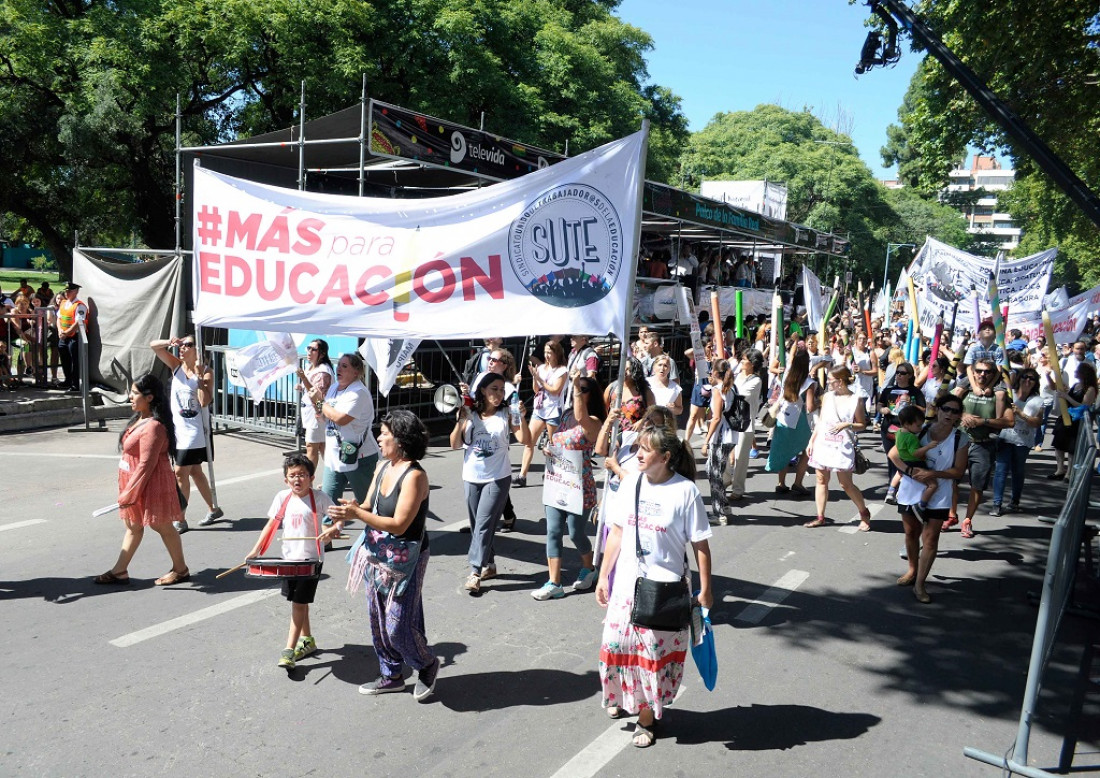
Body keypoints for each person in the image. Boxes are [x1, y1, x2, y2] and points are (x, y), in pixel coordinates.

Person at [596, 425, 713, 747]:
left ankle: (645, 719)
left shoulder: (685, 491)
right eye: (638, 448)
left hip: (663, 591)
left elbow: (700, 545)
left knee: (650, 659)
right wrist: (604, 574)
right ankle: (624, 697)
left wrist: (706, 590)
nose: (638, 454)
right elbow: (617, 532)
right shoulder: (631, 482)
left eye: (645, 449)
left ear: (665, 457)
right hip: (626, 587)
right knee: (617, 648)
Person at [325, 410, 439, 701]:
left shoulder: (414, 476)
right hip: (375, 554)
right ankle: (391, 675)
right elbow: (368, 506)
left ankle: (426, 664)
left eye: (385, 433)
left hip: (405, 559)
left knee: (398, 625)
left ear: (400, 440)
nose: (379, 437)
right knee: (378, 619)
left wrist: (357, 512)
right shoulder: (382, 467)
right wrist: (341, 520)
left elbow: (399, 524)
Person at [94, 374, 190, 586]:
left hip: (150, 483)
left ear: (149, 397)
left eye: (135, 393)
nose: (130, 396)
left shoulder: (153, 426)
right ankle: (119, 571)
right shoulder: (140, 418)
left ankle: (181, 569)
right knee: (134, 525)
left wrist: (131, 491)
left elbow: (147, 464)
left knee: (162, 525)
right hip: (134, 480)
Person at [246, 453, 334, 670]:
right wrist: (256, 550)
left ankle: (288, 650)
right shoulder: (282, 497)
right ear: (286, 479)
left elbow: (338, 518)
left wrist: (332, 530)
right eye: (292, 475)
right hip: (289, 561)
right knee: (298, 601)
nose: (297, 479)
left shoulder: (319, 497)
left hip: (310, 562)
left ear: (312, 478)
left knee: (298, 604)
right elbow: (270, 526)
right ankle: (308, 641)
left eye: (302, 475)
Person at [452, 371, 530, 595]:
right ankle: (491, 565)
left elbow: (524, 439)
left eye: (502, 390)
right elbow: (455, 443)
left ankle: (475, 571)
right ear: (483, 391)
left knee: (484, 524)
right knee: (479, 526)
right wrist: (461, 419)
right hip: (471, 476)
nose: (498, 393)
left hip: (497, 477)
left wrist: (521, 416)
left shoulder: (507, 413)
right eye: (494, 389)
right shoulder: (471, 412)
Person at [890, 395, 970, 604]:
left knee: (930, 538)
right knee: (910, 533)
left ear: (958, 416)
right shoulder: (920, 429)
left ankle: (920, 584)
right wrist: (911, 471)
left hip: (939, 493)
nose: (949, 414)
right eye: (946, 409)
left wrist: (933, 475)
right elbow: (893, 454)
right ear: (938, 410)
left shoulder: (960, 438)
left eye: (954, 411)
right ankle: (912, 570)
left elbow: (958, 471)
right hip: (912, 488)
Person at [532, 374, 605, 600]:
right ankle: (554, 583)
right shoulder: (565, 416)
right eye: (577, 388)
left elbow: (581, 417)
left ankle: (590, 568)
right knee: (553, 531)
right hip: (557, 483)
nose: (578, 392)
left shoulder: (593, 421)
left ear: (591, 395)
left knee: (575, 533)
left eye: (583, 389)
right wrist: (548, 448)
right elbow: (555, 441)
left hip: (580, 487)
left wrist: (574, 386)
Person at [151, 335, 224, 532]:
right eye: (181, 345)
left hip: (195, 431)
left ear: (197, 350)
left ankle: (180, 518)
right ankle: (214, 508)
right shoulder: (176, 366)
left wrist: (199, 378)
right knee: (195, 471)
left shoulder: (206, 372)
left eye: (188, 345)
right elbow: (154, 347)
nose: (182, 348)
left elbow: (204, 401)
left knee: (180, 472)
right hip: (177, 429)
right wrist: (169, 342)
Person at [304, 351, 380, 510]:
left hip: (358, 456)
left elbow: (340, 418)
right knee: (328, 506)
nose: (339, 368)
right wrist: (315, 403)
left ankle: (379, 533)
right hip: (334, 456)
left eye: (344, 366)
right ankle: (327, 532)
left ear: (356, 372)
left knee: (367, 506)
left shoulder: (358, 393)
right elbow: (325, 415)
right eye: (339, 365)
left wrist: (320, 402)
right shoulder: (333, 388)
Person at [805, 365, 873, 530]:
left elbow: (862, 425)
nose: (828, 383)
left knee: (845, 484)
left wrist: (847, 424)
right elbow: (821, 421)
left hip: (842, 445)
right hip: (823, 442)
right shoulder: (827, 397)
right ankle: (820, 516)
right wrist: (811, 440)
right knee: (821, 479)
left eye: (830, 380)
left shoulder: (855, 399)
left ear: (840, 381)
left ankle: (864, 512)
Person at [953, 357, 1014, 538]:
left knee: (977, 485)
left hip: (984, 445)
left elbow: (1009, 421)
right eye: (979, 371)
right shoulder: (965, 387)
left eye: (987, 372)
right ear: (974, 372)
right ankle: (951, 514)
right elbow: (946, 406)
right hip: (960, 442)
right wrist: (963, 415)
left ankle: (967, 520)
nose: (982, 374)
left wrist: (983, 422)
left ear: (993, 374)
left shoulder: (999, 392)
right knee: (951, 480)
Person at [990, 368, 1044, 516]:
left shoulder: (1038, 401)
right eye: (1025, 377)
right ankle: (997, 504)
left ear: (1035, 383)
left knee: (1018, 471)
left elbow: (1037, 422)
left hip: (1023, 440)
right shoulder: (1009, 394)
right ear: (1019, 378)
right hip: (1005, 437)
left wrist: (1020, 414)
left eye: (1031, 379)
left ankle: (1014, 501)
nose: (1027, 380)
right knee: (1001, 470)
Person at [515, 340, 568, 488]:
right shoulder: (542, 368)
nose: (547, 355)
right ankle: (522, 475)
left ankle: (553, 474)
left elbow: (555, 390)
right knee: (529, 442)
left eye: (550, 352)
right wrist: (534, 377)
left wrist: (539, 379)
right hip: (540, 409)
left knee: (553, 445)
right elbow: (536, 390)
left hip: (553, 410)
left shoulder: (562, 371)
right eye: (545, 352)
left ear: (557, 354)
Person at [766, 349, 815, 495]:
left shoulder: (786, 375)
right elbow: (811, 406)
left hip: (782, 417)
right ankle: (798, 482)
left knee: (784, 451)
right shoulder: (809, 383)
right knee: (807, 451)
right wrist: (821, 401)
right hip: (798, 420)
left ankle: (781, 483)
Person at [879, 361, 926, 497]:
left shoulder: (915, 392)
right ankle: (892, 485)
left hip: (906, 430)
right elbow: (880, 404)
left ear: (910, 375)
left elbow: (923, 409)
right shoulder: (888, 390)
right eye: (897, 373)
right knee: (891, 457)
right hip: (889, 427)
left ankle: (900, 487)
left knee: (905, 457)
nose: (899, 375)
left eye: (903, 373)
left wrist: (911, 405)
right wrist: (883, 409)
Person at [702, 358, 738, 524]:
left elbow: (716, 417)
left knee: (714, 473)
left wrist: (706, 441)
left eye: (711, 370)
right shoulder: (732, 387)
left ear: (715, 373)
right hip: (731, 433)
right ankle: (723, 505)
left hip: (720, 435)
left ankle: (719, 513)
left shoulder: (718, 390)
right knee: (715, 470)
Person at [1050, 361, 1098, 480]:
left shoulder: (1090, 389)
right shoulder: (1076, 385)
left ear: (1084, 373)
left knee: (1071, 448)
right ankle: (1060, 469)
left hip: (1077, 421)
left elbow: (1083, 406)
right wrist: (1065, 394)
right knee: (1059, 445)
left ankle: (1069, 473)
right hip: (1065, 417)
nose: (1076, 372)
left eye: (1078, 371)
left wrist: (1066, 397)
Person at [727, 349, 765, 500]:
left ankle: (738, 489)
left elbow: (740, 396)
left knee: (740, 458)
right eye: (741, 359)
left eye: (745, 359)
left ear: (753, 363)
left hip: (745, 423)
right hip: (730, 420)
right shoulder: (736, 375)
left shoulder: (756, 380)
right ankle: (725, 480)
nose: (742, 361)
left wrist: (725, 387)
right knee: (727, 454)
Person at [891, 405, 939, 515]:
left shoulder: (899, 432)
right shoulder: (911, 437)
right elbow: (915, 453)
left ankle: (894, 491)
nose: (920, 428)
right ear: (907, 424)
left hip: (904, 461)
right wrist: (928, 447)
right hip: (915, 463)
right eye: (918, 426)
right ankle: (921, 505)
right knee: (933, 485)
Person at [296, 339, 335, 471]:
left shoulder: (323, 372)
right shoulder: (311, 367)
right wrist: (301, 386)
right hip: (311, 412)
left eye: (313, 349)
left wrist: (303, 379)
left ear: (322, 353)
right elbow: (309, 388)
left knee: (311, 447)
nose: (309, 352)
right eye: (308, 348)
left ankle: (309, 480)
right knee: (323, 446)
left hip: (317, 413)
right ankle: (335, 476)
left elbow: (318, 395)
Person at [57, 282, 89, 392]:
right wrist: (60, 330)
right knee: (65, 359)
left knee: (75, 361)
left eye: (70, 291)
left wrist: (67, 332)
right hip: (64, 336)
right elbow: (59, 318)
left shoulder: (80, 306)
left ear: (76, 291)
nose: (67, 292)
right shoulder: (64, 303)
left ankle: (75, 384)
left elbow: (78, 322)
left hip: (75, 337)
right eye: (66, 290)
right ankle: (67, 380)